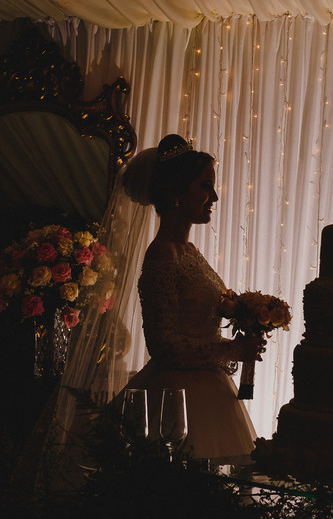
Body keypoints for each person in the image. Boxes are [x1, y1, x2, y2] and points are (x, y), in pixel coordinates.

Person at [116, 133, 265, 464]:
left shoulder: (190, 252)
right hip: (175, 399)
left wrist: (245, 315)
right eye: (205, 186)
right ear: (175, 193)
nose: (213, 196)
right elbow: (164, 344)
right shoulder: (162, 255)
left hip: (209, 390)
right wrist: (231, 349)